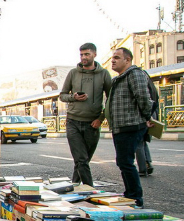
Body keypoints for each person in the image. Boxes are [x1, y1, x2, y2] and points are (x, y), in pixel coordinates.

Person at [103, 48, 152, 208]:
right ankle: (131, 195)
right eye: (112, 58)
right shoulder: (120, 78)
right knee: (124, 162)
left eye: (117, 57)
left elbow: (144, 98)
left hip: (131, 126)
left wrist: (146, 117)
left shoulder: (134, 74)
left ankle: (135, 198)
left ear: (128, 60)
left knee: (126, 162)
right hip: (121, 127)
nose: (113, 61)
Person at [59, 43, 112, 187]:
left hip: (92, 124)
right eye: (81, 54)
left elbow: (111, 98)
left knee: (83, 160)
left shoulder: (104, 74)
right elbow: (62, 95)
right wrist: (73, 97)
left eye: (87, 54)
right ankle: (90, 189)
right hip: (73, 121)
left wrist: (100, 118)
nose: (83, 57)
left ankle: (74, 187)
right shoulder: (73, 73)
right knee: (81, 159)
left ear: (95, 54)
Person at [136, 77, 159, 177]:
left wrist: (146, 116)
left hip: (144, 115)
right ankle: (147, 162)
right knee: (143, 141)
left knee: (139, 142)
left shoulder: (139, 83)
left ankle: (143, 168)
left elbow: (142, 101)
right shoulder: (151, 85)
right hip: (151, 113)